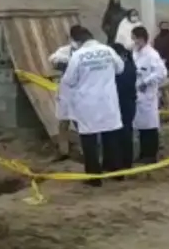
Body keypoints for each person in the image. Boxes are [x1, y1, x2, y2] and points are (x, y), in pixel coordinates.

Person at [60, 25, 125, 187]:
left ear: (76, 41)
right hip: (108, 101)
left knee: (89, 141)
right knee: (111, 137)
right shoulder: (108, 50)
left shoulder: (78, 56)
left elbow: (69, 80)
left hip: (87, 103)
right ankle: (116, 172)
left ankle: (94, 177)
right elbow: (120, 68)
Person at [131, 26, 168, 164]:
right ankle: (142, 153)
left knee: (150, 126)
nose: (134, 41)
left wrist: (146, 82)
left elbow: (161, 73)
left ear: (142, 39)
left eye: (136, 38)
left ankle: (151, 154)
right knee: (140, 126)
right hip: (137, 96)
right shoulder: (135, 53)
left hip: (147, 96)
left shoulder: (152, 54)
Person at [110, 42, 138, 174]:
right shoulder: (130, 65)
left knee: (120, 136)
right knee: (126, 134)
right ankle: (125, 163)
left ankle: (120, 165)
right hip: (128, 104)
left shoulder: (123, 69)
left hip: (122, 104)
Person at [49, 41, 77, 162]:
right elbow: (53, 59)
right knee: (63, 123)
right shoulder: (66, 51)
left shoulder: (85, 54)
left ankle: (86, 151)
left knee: (80, 123)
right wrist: (66, 61)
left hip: (77, 94)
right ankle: (63, 151)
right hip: (65, 93)